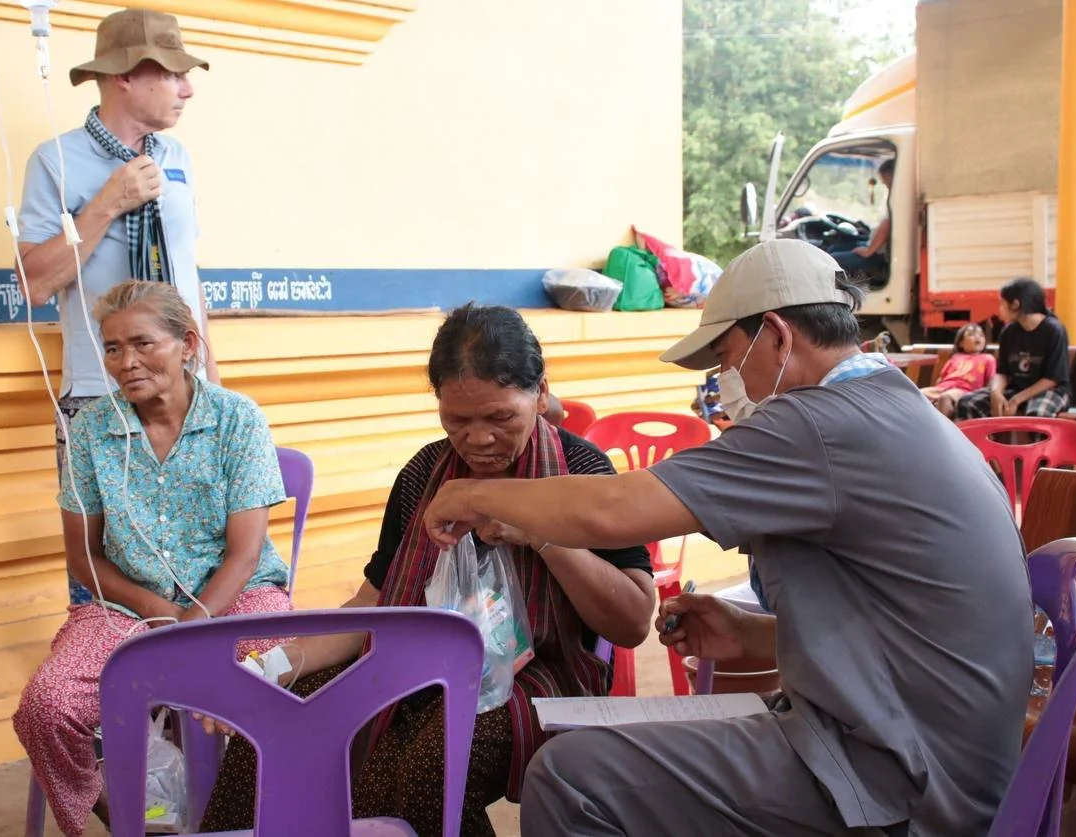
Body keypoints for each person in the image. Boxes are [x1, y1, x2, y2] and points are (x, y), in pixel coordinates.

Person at [422, 240, 1033, 836]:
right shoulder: (896, 409)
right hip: (940, 755)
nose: (723, 383)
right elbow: (910, 629)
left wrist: (471, 496)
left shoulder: (818, 422)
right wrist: (753, 634)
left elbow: (618, 507)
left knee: (568, 776)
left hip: (904, 779)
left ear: (775, 335)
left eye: (725, 360)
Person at [198, 303, 656, 837]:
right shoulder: (425, 475)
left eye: (500, 417)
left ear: (539, 392)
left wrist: (540, 534)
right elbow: (376, 607)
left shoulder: (581, 472)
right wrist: (270, 668)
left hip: (538, 675)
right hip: (415, 659)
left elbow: (632, 621)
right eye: (457, 420)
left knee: (433, 758)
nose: (479, 439)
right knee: (283, 718)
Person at [13, 281, 293, 837]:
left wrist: (189, 631)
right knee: (47, 707)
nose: (126, 362)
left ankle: (250, 818)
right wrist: (158, 615)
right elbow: (86, 559)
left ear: (188, 344)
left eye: (143, 343)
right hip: (128, 606)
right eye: (113, 348)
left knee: (279, 678)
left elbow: (243, 554)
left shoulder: (237, 419)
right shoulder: (93, 431)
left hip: (238, 597)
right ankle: (128, 818)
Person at [17, 8, 218, 604]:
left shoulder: (177, 155)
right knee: (101, 575)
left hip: (188, 393)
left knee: (197, 554)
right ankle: (105, 688)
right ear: (126, 76)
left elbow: (188, 278)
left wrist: (214, 379)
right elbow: (33, 282)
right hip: (97, 396)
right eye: (174, 73)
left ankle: (188, 687)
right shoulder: (54, 161)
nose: (188, 88)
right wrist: (105, 205)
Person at [955, 278, 1071, 419]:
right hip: (1017, 389)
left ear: (1016, 304)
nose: (999, 309)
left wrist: (1017, 399)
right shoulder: (1008, 332)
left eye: (1002, 304)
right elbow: (1002, 372)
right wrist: (996, 392)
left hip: (1052, 391)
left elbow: (1052, 379)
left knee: (1038, 415)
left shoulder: (1054, 330)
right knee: (967, 402)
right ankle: (981, 441)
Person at [830, 157, 893, 287]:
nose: (885, 185)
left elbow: (887, 224)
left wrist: (869, 250)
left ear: (891, 176)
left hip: (878, 254)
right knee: (835, 249)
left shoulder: (898, 197)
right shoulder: (894, 196)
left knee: (831, 260)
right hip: (875, 247)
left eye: (886, 182)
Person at [921, 323, 997, 417]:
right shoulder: (955, 358)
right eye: (971, 334)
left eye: (981, 335)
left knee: (945, 398)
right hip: (942, 389)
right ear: (961, 343)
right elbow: (941, 378)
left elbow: (990, 382)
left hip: (965, 391)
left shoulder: (988, 358)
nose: (978, 337)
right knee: (916, 394)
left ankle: (943, 430)